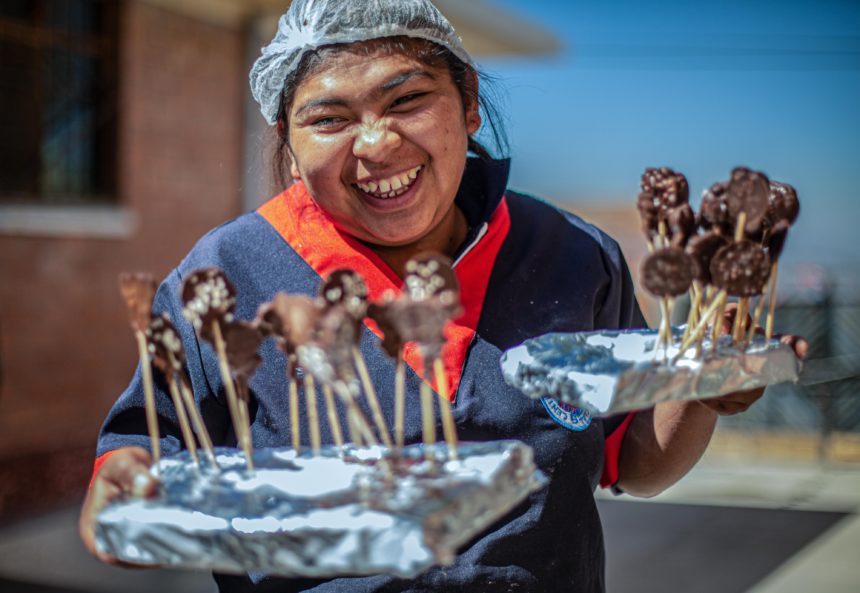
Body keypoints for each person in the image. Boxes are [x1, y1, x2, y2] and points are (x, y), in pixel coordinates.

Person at [79, 1, 807, 591]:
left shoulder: (575, 256)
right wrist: (128, 502)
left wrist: (704, 386)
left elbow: (635, 463)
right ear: (288, 139)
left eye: (407, 99)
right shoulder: (228, 273)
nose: (374, 143)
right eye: (329, 118)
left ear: (467, 105)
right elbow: (138, 457)